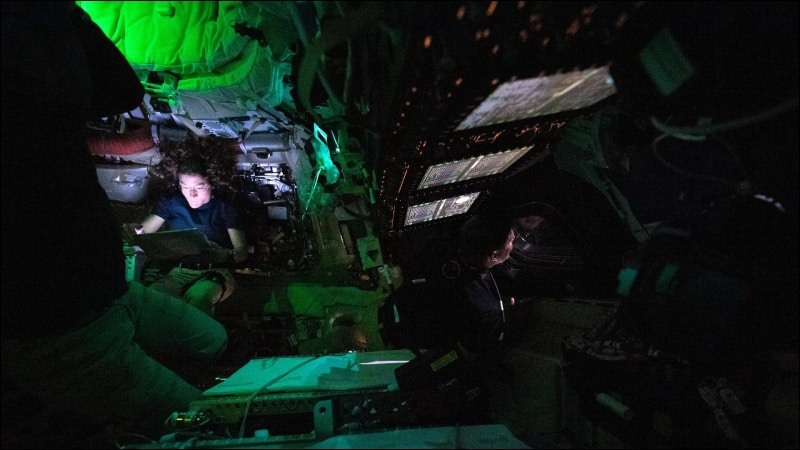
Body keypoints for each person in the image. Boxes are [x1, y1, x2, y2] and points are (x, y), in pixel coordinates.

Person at [1, 1, 228, 441]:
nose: (191, 194)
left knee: (210, 340)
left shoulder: (38, 27)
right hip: (59, 333)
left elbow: (122, 92)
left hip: (113, 294)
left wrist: (62, 17)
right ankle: (139, 411)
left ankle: (142, 391)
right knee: (206, 426)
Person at [124, 135, 249, 317]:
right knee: (150, 299)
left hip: (213, 272)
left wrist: (227, 255)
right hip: (178, 272)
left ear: (212, 184)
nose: (191, 194)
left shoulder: (224, 208)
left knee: (197, 297)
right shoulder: (171, 203)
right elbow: (142, 233)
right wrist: (134, 230)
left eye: (199, 187)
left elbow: (242, 250)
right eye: (184, 186)